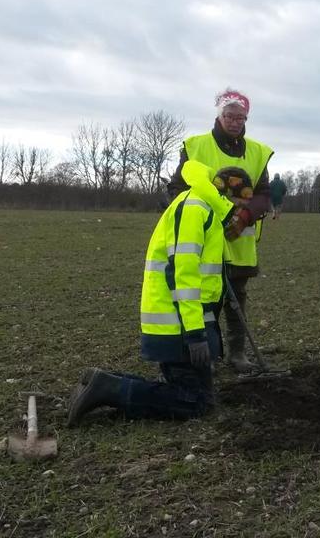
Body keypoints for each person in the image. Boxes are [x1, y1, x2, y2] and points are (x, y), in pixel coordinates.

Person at [66, 162, 250, 425]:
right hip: (177, 326)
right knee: (196, 402)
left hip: (184, 322)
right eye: (241, 206)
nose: (241, 215)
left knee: (199, 395)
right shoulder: (195, 208)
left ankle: (103, 382)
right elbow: (182, 274)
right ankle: (109, 390)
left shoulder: (205, 207)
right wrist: (195, 334)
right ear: (225, 190)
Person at [168, 88, 274, 373]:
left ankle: (237, 354)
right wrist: (207, 215)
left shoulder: (257, 152)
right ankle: (209, 355)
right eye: (229, 116)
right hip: (205, 238)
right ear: (220, 116)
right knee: (207, 300)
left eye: (241, 117)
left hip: (240, 241)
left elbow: (264, 194)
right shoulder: (196, 146)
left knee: (237, 299)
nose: (235, 121)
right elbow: (177, 189)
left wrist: (244, 217)